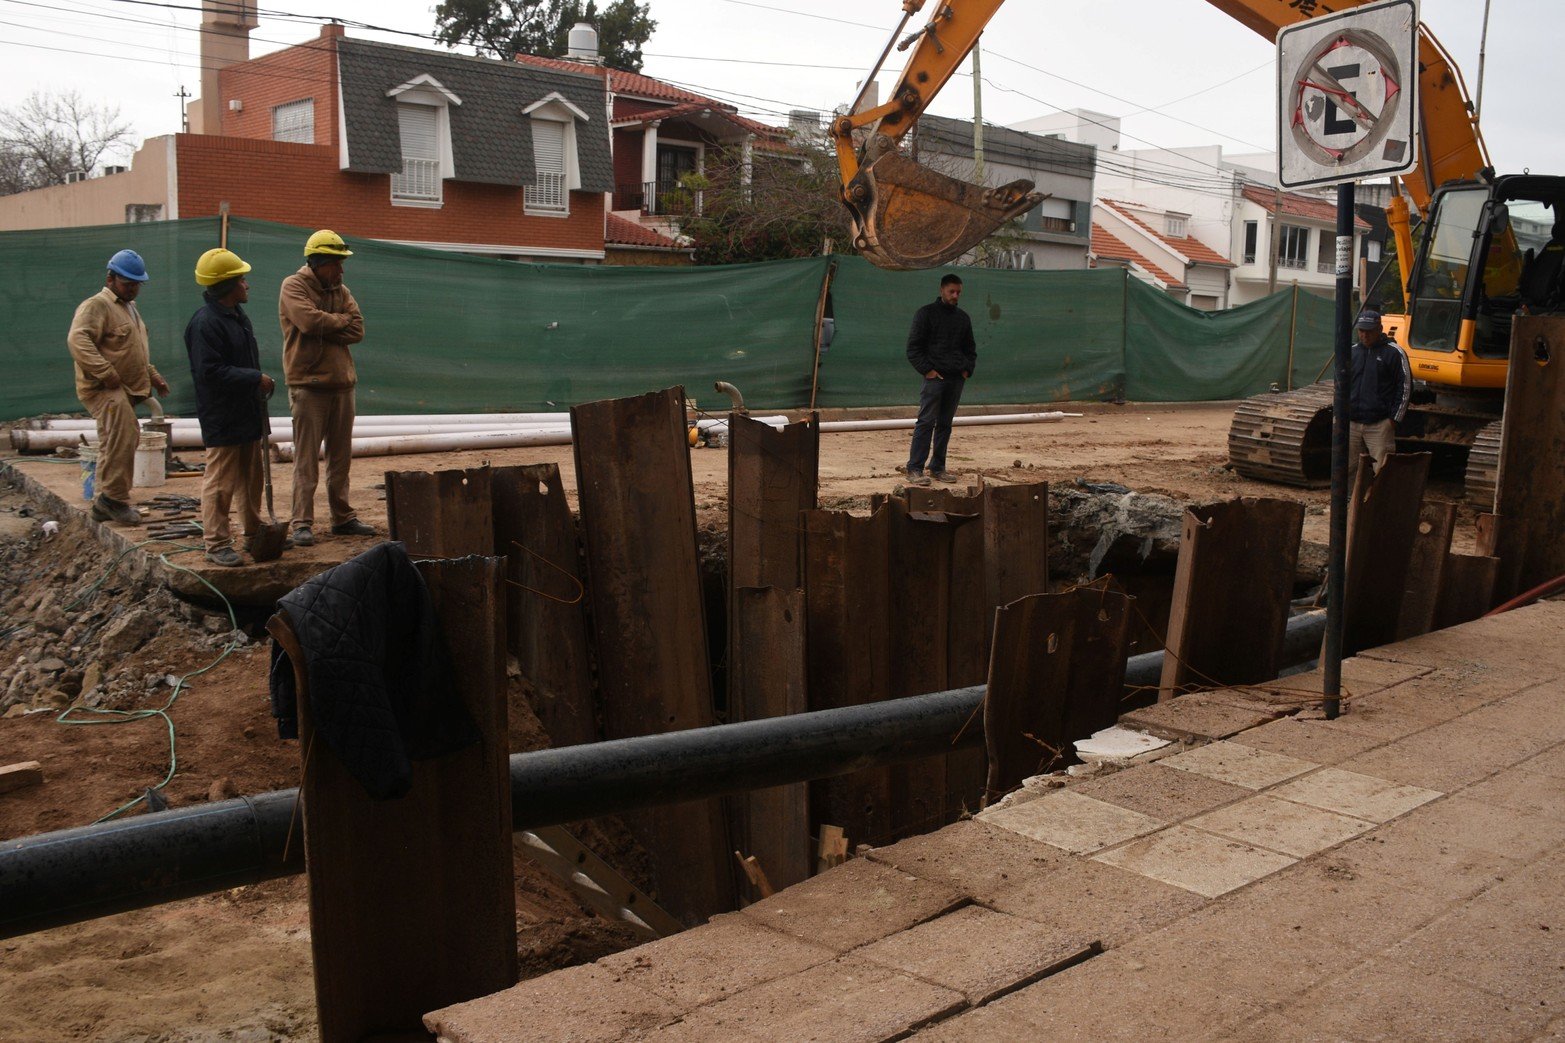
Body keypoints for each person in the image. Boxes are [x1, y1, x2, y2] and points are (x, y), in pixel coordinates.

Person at [279, 229, 372, 546]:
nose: (342, 270)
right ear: (318, 262)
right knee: (306, 460)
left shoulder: (341, 290)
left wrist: (330, 322)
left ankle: (342, 518)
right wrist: (338, 320)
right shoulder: (293, 286)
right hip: (309, 386)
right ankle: (301, 523)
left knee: (340, 458)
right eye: (337, 262)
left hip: (343, 384)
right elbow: (307, 322)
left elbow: (358, 328)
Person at [66, 249, 170, 526]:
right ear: (110, 279)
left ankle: (104, 502)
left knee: (120, 438)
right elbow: (78, 341)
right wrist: (106, 373)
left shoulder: (129, 308)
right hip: (103, 388)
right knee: (123, 435)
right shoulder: (96, 306)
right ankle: (113, 500)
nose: (134, 289)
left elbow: (134, 350)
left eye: (137, 284)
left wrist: (153, 376)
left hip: (124, 387)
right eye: (128, 284)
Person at [185, 248, 275, 567]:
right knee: (221, 482)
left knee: (251, 479)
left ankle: (253, 533)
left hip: (246, 412)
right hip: (222, 416)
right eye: (242, 280)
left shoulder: (236, 316)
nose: (247, 285)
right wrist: (255, 378)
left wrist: (255, 385)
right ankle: (217, 542)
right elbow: (210, 372)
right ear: (227, 285)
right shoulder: (205, 324)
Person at [903, 273, 976, 486]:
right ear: (941, 290)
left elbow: (970, 349)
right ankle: (915, 468)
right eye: (951, 291)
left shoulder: (963, 318)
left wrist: (966, 370)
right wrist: (928, 371)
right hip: (935, 380)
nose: (955, 296)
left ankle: (938, 467)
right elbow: (913, 348)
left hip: (956, 380)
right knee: (926, 422)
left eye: (958, 292)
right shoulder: (925, 314)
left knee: (945, 424)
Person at [1347, 309, 1411, 479]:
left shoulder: (1394, 353)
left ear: (1380, 329)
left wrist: (1393, 420)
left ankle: (1380, 504)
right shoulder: (1351, 352)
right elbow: (1340, 385)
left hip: (1380, 424)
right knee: (1348, 468)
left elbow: (1404, 387)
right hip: (1351, 422)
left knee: (1382, 470)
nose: (1365, 335)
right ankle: (1350, 503)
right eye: (1361, 331)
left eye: (1369, 331)